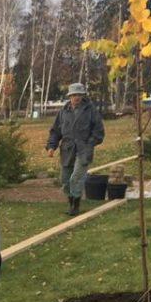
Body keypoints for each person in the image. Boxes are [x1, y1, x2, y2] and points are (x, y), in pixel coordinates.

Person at [46, 82, 105, 216]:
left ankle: (75, 206)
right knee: (65, 180)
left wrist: (90, 144)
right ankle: (71, 202)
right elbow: (55, 131)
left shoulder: (90, 110)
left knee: (76, 177)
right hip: (67, 149)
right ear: (69, 96)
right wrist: (51, 146)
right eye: (74, 95)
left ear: (83, 96)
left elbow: (99, 132)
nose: (76, 97)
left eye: (79, 95)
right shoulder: (63, 111)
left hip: (84, 150)